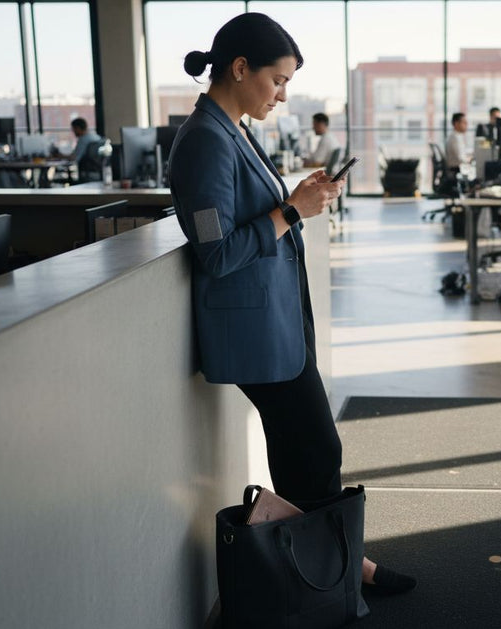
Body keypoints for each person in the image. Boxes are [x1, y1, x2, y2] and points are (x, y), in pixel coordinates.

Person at [168, 12, 415, 596]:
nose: (282, 94)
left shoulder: (232, 129)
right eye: (277, 80)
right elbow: (217, 253)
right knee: (315, 448)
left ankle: (325, 570)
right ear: (239, 68)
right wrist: (292, 209)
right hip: (255, 333)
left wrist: (300, 198)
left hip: (277, 322)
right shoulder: (205, 140)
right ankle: (341, 571)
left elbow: (256, 216)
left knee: (302, 451)